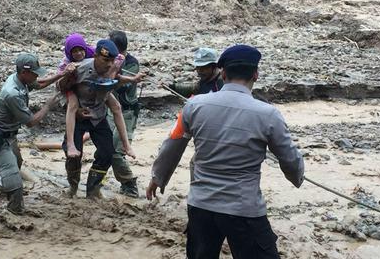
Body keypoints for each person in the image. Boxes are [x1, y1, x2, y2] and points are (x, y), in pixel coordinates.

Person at [146, 45, 304, 259]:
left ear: (224, 73)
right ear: (256, 75)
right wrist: (297, 177)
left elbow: (173, 144)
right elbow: (290, 159)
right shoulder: (268, 114)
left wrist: (158, 177)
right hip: (244, 209)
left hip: (201, 206)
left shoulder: (194, 105)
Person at [0, 53, 71, 215]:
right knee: (15, 181)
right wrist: (47, 105)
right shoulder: (12, 93)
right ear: (24, 73)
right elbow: (31, 122)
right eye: (34, 72)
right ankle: (14, 212)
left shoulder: (21, 79)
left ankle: (2, 189)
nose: (37, 75)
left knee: (17, 161)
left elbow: (39, 84)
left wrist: (62, 74)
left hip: (9, 135)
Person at [58, 40, 137, 199]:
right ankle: (73, 187)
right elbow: (61, 90)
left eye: (111, 61)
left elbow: (116, 109)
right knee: (73, 154)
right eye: (105, 60)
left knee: (107, 153)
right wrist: (75, 108)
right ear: (95, 56)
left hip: (98, 115)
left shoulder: (112, 70)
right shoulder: (79, 69)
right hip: (78, 115)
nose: (109, 65)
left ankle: (93, 190)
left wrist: (127, 146)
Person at [106, 30, 142, 198]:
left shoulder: (131, 63)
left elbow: (120, 85)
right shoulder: (111, 60)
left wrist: (113, 73)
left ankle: (129, 184)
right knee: (106, 147)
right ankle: (98, 179)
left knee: (117, 150)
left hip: (127, 111)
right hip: (110, 109)